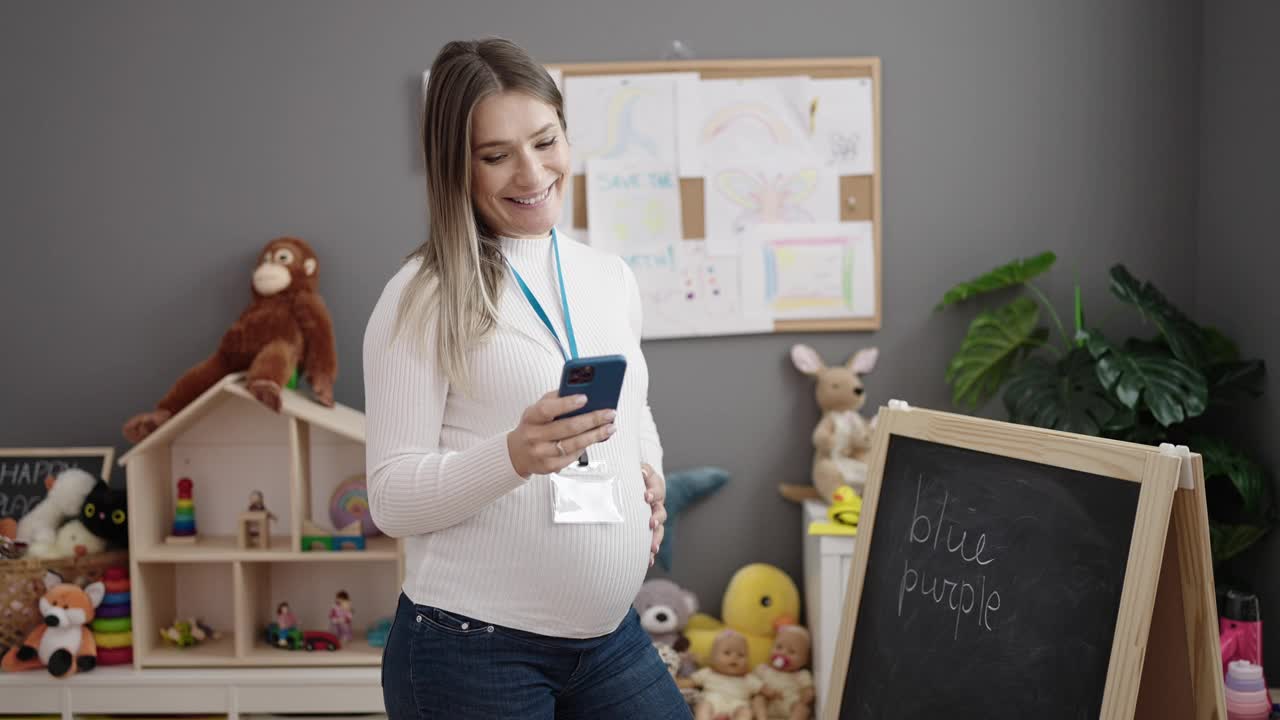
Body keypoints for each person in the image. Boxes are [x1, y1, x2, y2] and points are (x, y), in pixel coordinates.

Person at [365, 37, 689, 719]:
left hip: (607, 641)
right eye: (495, 155)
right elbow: (391, 498)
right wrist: (512, 456)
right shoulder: (420, 296)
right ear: (454, 167)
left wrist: (647, 473)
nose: (531, 171)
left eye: (545, 141)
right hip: (470, 651)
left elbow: (636, 410)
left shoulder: (609, 278)